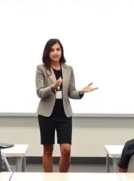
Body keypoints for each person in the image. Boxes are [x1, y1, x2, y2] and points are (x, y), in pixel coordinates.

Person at [35, 38, 97, 173]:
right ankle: (49, 180)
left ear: (61, 51)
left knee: (66, 149)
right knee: (48, 149)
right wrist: (53, 87)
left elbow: (71, 92)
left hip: (64, 114)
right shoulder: (41, 69)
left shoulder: (68, 69)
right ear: (47, 52)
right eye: (52, 50)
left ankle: (62, 179)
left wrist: (81, 92)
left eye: (58, 49)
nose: (55, 52)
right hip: (46, 115)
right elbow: (39, 92)